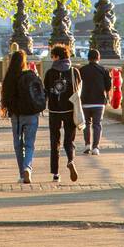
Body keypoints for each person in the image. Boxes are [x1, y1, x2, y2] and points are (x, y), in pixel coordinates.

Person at [0, 47, 46, 183]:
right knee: (30, 144)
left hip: (17, 116)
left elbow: (6, 98)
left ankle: (22, 174)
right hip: (32, 114)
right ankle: (27, 167)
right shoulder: (31, 76)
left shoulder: (9, 78)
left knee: (18, 144)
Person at [44, 43, 80, 182]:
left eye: (52, 56)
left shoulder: (50, 73)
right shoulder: (74, 71)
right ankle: (71, 160)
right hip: (70, 110)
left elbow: (46, 90)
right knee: (69, 140)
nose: (52, 59)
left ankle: (56, 173)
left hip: (54, 111)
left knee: (55, 141)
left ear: (57, 57)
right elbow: (79, 89)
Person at [79, 47, 112, 154]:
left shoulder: (82, 70)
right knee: (97, 124)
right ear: (99, 58)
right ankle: (95, 148)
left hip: (85, 101)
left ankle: (87, 144)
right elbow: (108, 86)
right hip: (99, 101)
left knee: (87, 124)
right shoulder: (103, 70)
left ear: (88, 58)